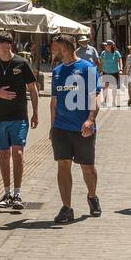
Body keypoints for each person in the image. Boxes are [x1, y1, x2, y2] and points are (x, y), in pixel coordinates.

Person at [0, 31, 40, 211]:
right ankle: (6, 192)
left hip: (19, 115)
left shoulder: (22, 63)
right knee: (3, 155)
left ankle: (17, 193)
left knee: (17, 154)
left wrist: (35, 112)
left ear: (7, 46)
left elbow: (32, 89)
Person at [49, 33, 101, 223]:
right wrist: (52, 126)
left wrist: (90, 120)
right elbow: (54, 101)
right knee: (63, 165)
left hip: (82, 127)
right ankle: (67, 207)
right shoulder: (57, 71)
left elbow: (95, 96)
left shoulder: (87, 68)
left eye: (54, 46)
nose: (52, 50)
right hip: (61, 128)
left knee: (87, 167)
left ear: (64, 48)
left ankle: (92, 196)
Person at [98, 40, 124, 108]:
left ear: (111, 46)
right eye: (105, 45)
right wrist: (99, 71)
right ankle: (105, 101)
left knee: (114, 88)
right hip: (105, 72)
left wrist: (121, 69)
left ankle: (114, 102)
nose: (105, 46)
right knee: (104, 87)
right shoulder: (103, 53)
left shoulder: (116, 53)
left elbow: (120, 61)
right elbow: (101, 63)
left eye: (107, 45)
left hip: (114, 72)